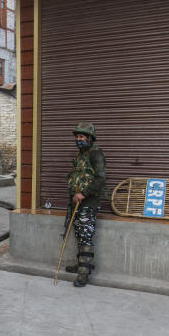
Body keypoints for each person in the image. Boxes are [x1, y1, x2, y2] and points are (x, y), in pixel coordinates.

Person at [64, 122, 107, 287]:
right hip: (76, 204)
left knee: (86, 236)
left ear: (90, 138)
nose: (78, 139)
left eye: (82, 136)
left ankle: (84, 274)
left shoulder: (95, 154)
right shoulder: (81, 154)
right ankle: (82, 264)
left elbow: (101, 179)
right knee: (80, 234)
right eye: (77, 136)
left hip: (88, 203)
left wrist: (83, 193)